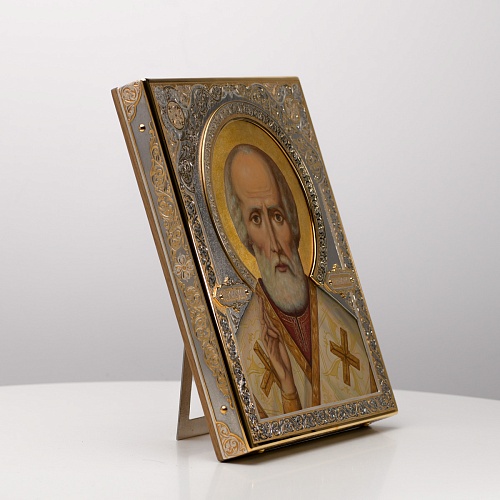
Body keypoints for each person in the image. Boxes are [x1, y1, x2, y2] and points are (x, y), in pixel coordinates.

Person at [225, 144, 376, 419]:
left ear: (293, 223)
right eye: (256, 219)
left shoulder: (346, 325)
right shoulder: (244, 349)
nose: (274, 244)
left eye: (277, 216)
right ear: (245, 235)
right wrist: (288, 391)